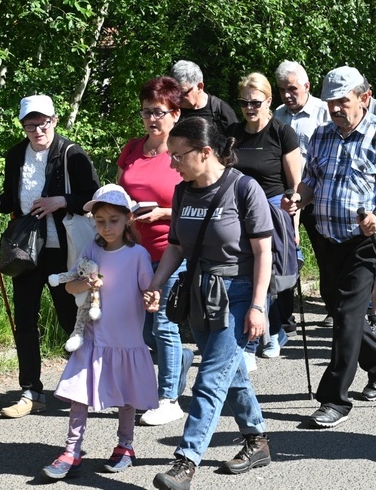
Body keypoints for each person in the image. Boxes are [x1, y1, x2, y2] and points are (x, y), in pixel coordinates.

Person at [283, 66, 376, 428]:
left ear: (364, 98)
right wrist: (298, 199)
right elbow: (311, 181)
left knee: (346, 315)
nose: (336, 109)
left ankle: (334, 399)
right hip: (326, 236)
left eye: (343, 102)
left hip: (365, 238)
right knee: (337, 306)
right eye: (331, 103)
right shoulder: (322, 135)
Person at [149, 117, 273, 489]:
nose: (172, 163)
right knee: (228, 373)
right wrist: (156, 284)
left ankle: (185, 462)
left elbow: (263, 252)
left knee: (208, 379)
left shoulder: (244, 189)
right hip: (200, 292)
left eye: (178, 156)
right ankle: (257, 440)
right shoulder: (182, 192)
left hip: (237, 292)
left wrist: (257, 306)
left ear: (205, 152)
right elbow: (175, 247)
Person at [0, 95, 100, 418]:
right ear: (23, 126)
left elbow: (94, 198)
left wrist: (60, 201)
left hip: (64, 250)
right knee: (25, 321)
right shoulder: (16, 155)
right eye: (30, 124)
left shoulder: (71, 154)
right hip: (27, 252)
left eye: (43, 122)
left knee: (71, 318)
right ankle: (31, 391)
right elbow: (14, 199)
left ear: (55, 121)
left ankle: (83, 384)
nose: (37, 129)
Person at [42, 184, 159, 479]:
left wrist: (152, 301)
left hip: (126, 340)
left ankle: (125, 445)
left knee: (127, 396)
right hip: (93, 337)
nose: (106, 227)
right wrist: (87, 284)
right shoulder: (92, 249)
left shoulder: (138, 255)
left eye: (114, 220)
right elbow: (71, 285)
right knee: (79, 394)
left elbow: (149, 291)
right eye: (100, 220)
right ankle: (72, 450)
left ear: (128, 219)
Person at [117, 76, 193, 426]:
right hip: (134, 250)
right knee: (145, 329)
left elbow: (200, 205)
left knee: (162, 323)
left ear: (176, 114)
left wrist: (165, 213)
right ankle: (180, 360)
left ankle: (168, 399)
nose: (152, 119)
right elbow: (120, 191)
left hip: (171, 248)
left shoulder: (184, 153)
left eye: (160, 112)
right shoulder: (132, 148)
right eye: (147, 111)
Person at [227, 72, 302, 365]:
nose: (249, 108)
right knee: (244, 273)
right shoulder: (233, 133)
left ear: (269, 100)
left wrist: (293, 226)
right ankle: (260, 336)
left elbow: (296, 187)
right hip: (237, 210)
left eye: (255, 102)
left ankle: (264, 336)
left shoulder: (282, 133)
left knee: (268, 276)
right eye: (244, 102)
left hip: (272, 212)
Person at [274, 60, 334, 329]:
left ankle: (334, 308)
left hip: (319, 195)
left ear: (307, 86)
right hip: (289, 195)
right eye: (283, 89)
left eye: (293, 89)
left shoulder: (324, 112)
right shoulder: (278, 115)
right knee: (286, 252)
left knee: (327, 253)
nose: (287, 95)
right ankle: (284, 315)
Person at [169, 60, 239, 134]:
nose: (177, 97)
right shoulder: (170, 110)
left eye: (183, 92)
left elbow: (236, 141)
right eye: (174, 92)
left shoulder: (220, 111)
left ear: (200, 87)